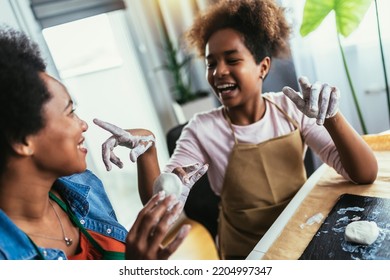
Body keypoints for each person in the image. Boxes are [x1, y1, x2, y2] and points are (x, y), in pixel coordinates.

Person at [94, 0, 378, 260]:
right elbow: (166, 203)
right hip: (244, 252)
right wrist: (149, 152)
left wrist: (331, 117)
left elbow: (364, 173)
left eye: (232, 60)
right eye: (211, 63)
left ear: (262, 67)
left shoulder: (291, 109)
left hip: (300, 232)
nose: (218, 72)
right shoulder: (200, 130)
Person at [0, 26, 194, 260]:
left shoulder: (82, 187)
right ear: (23, 140)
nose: (83, 124)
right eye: (70, 112)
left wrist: (148, 149)